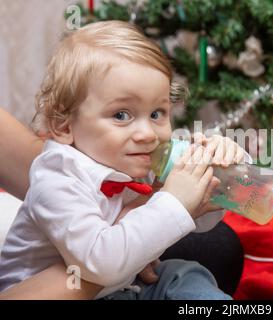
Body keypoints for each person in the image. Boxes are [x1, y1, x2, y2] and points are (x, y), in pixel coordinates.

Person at [0, 20, 248, 300]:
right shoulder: (56, 178)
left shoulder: (131, 156)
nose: (146, 134)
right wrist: (174, 201)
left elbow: (199, 222)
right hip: (74, 291)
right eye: (121, 115)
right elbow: (100, 264)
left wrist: (218, 173)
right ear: (64, 125)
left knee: (184, 274)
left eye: (157, 113)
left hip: (124, 285)